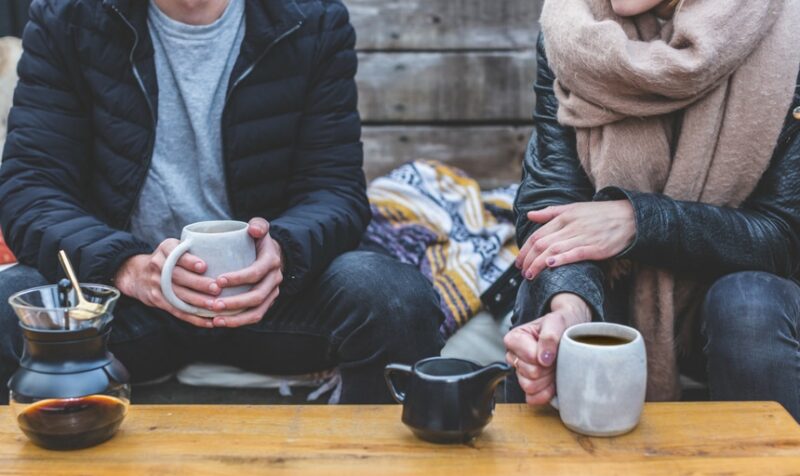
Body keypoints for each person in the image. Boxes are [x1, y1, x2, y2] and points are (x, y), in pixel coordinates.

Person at [0, 0, 445, 404]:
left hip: (269, 300)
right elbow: (30, 187)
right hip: (122, 303)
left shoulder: (311, 19)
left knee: (394, 299)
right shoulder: (70, 17)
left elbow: (335, 189)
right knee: (7, 297)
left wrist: (282, 255)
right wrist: (126, 268)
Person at [504, 0, 800, 421]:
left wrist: (638, 222)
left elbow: (784, 236)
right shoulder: (574, 28)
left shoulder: (786, 29)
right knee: (546, 286)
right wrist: (571, 304)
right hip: (617, 292)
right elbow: (551, 204)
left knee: (747, 303)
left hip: (730, 303)